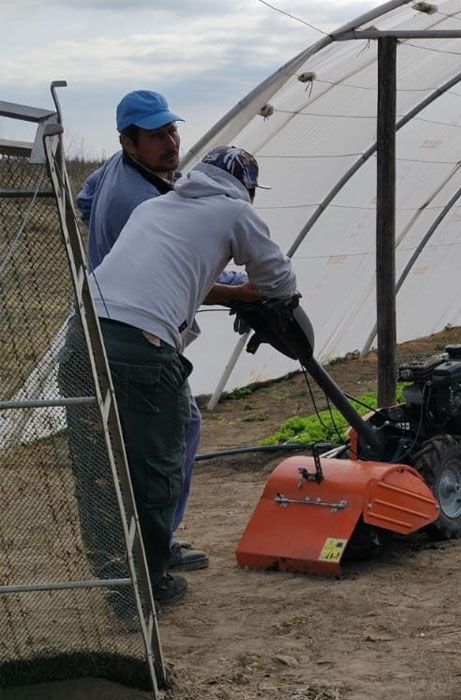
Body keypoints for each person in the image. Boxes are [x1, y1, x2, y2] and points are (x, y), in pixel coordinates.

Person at [64, 146, 297, 607]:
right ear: (247, 187)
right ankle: (148, 587)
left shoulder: (156, 205)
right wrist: (252, 292)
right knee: (157, 471)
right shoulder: (235, 211)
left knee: (101, 469)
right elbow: (281, 283)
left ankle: (115, 581)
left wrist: (230, 293)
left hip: (82, 334)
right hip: (141, 349)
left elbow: (169, 273)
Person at [77, 91, 244, 573]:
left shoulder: (117, 170)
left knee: (156, 437)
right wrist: (240, 288)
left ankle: (140, 550)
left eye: (172, 131)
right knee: (169, 439)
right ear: (129, 143)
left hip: (113, 319)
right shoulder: (143, 200)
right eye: (156, 136)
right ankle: (153, 555)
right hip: (136, 331)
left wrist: (101, 246)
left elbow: (85, 201)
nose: (171, 143)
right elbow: (182, 277)